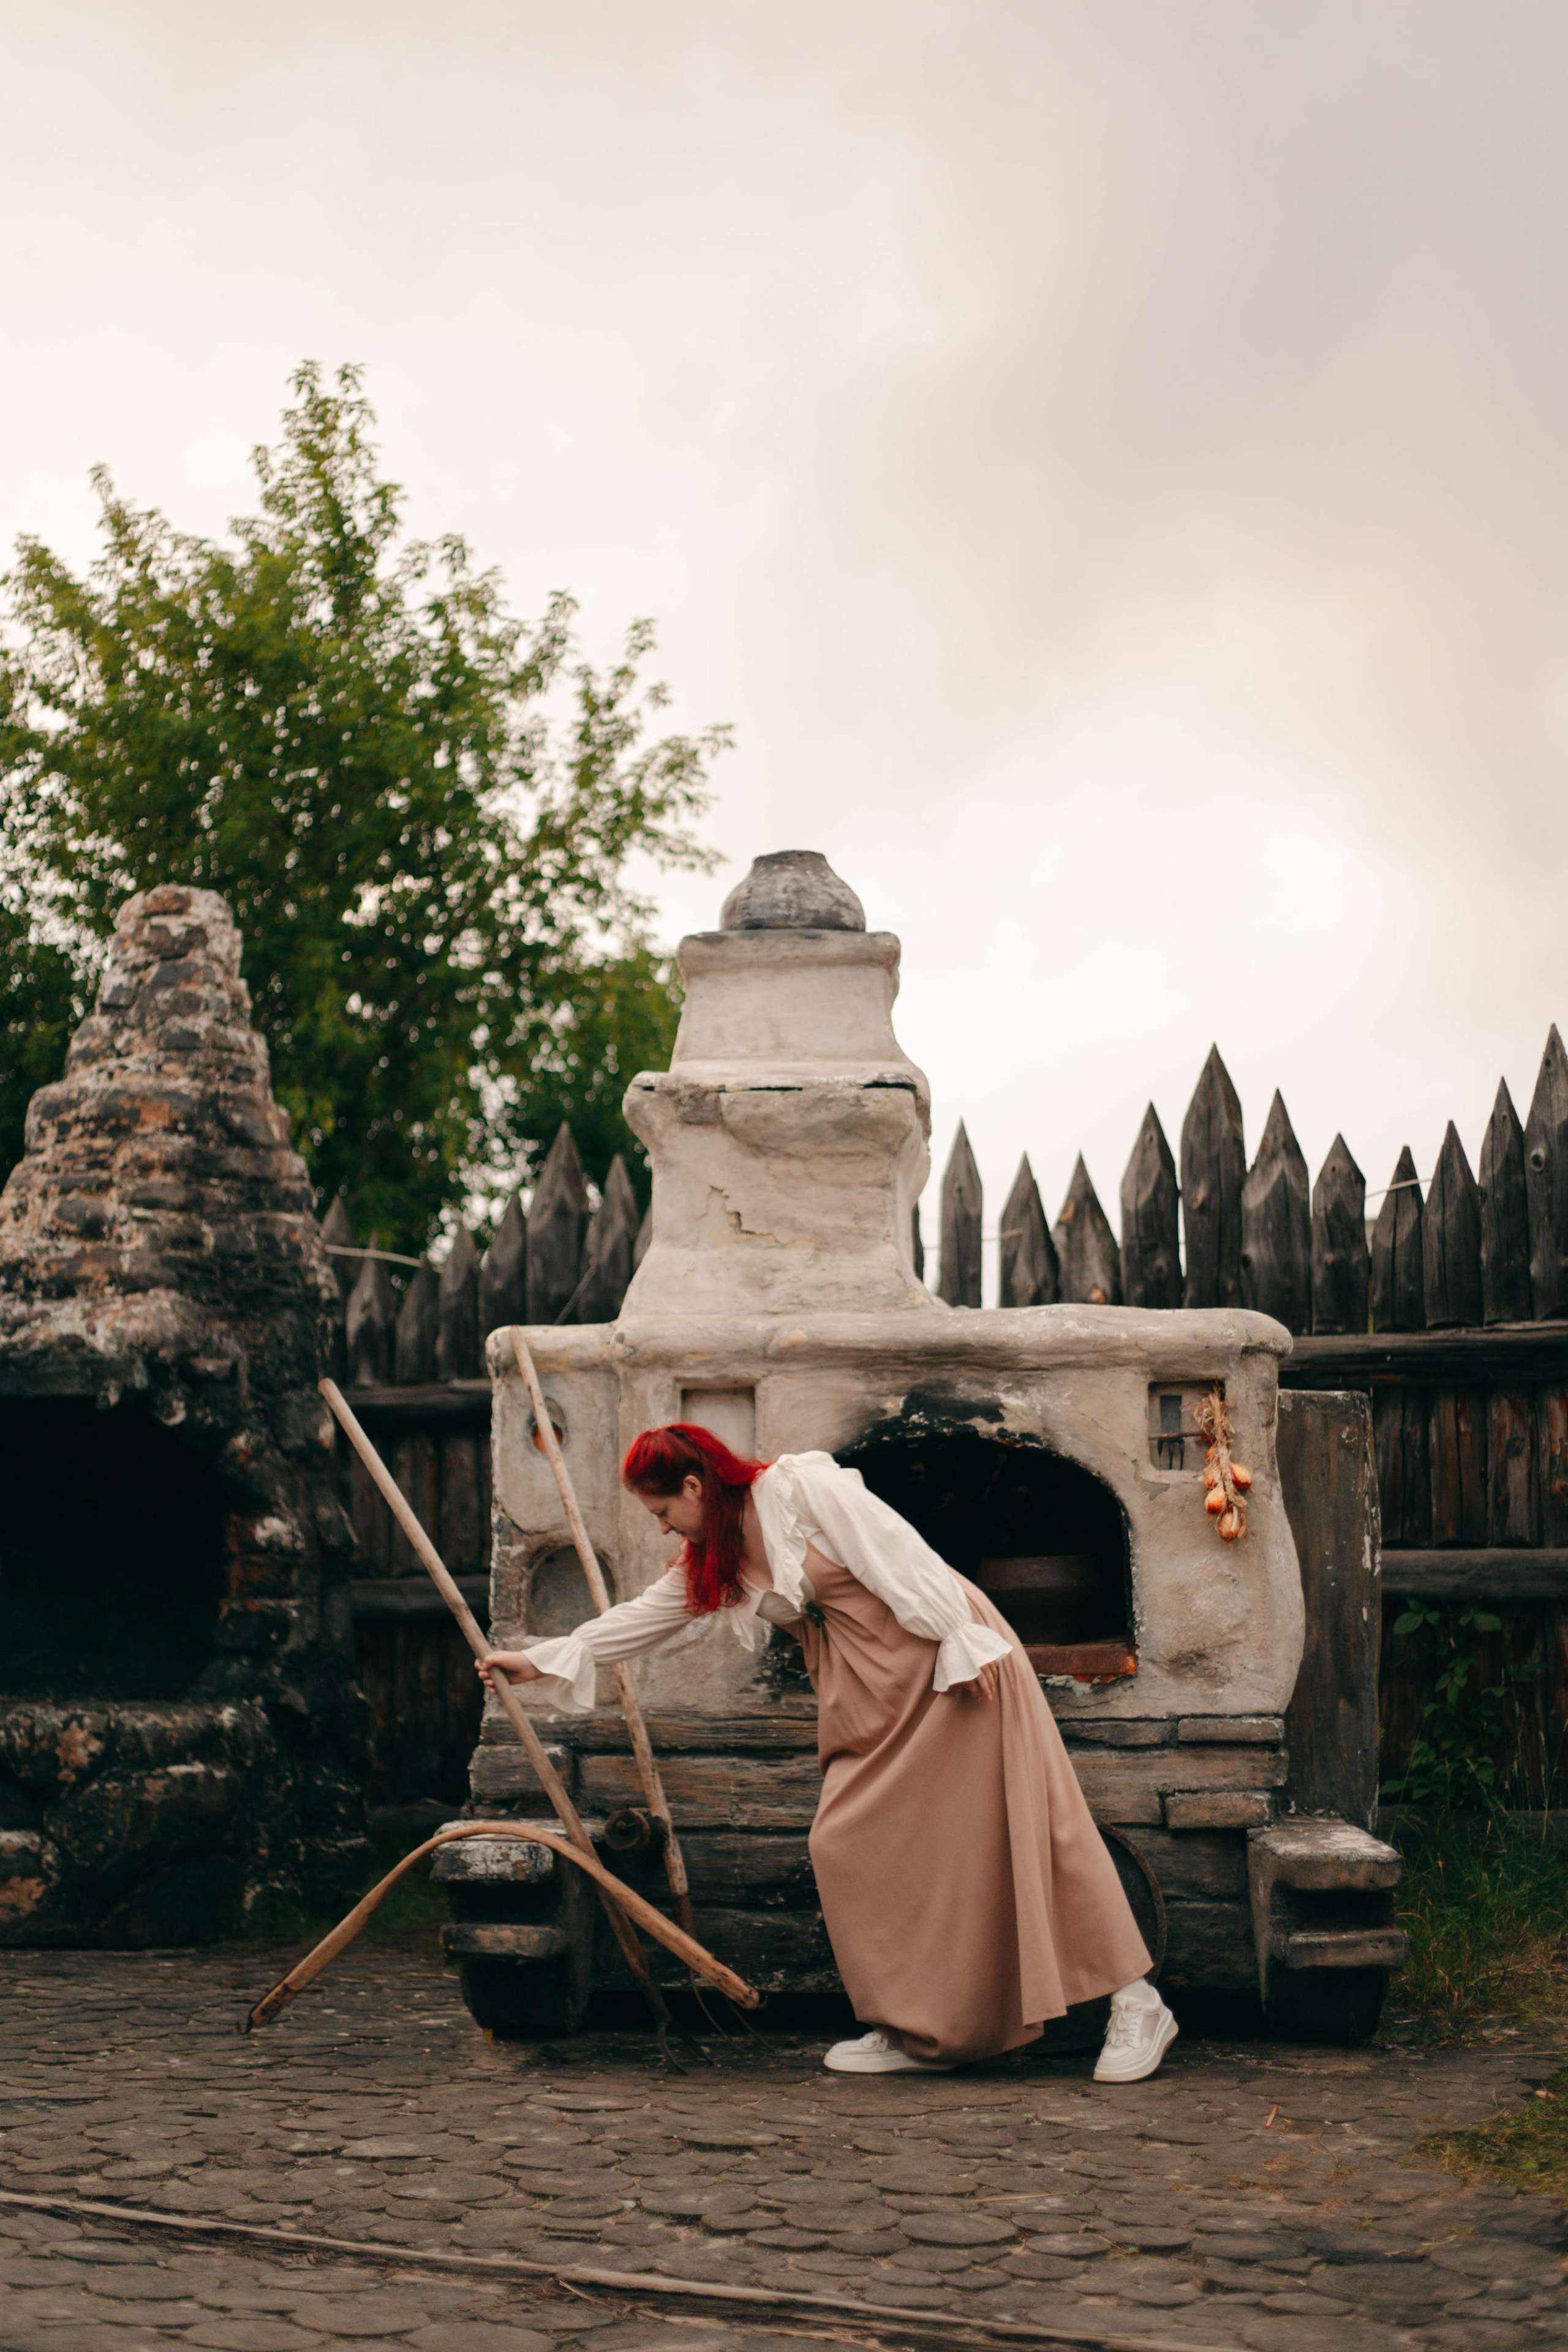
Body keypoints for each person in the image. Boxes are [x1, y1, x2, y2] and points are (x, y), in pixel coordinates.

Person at [478, 1425, 1177, 2081]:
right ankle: (916, 2026)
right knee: (851, 1844)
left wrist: (959, 1637)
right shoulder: (716, 1555)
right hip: (866, 1699)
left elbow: (896, 1550)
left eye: (662, 1509)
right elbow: (642, 1618)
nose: (661, 1525)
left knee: (1029, 1822)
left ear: (694, 1487)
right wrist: (538, 1663)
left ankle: (1137, 2002)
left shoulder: (798, 1491)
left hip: (946, 1663)